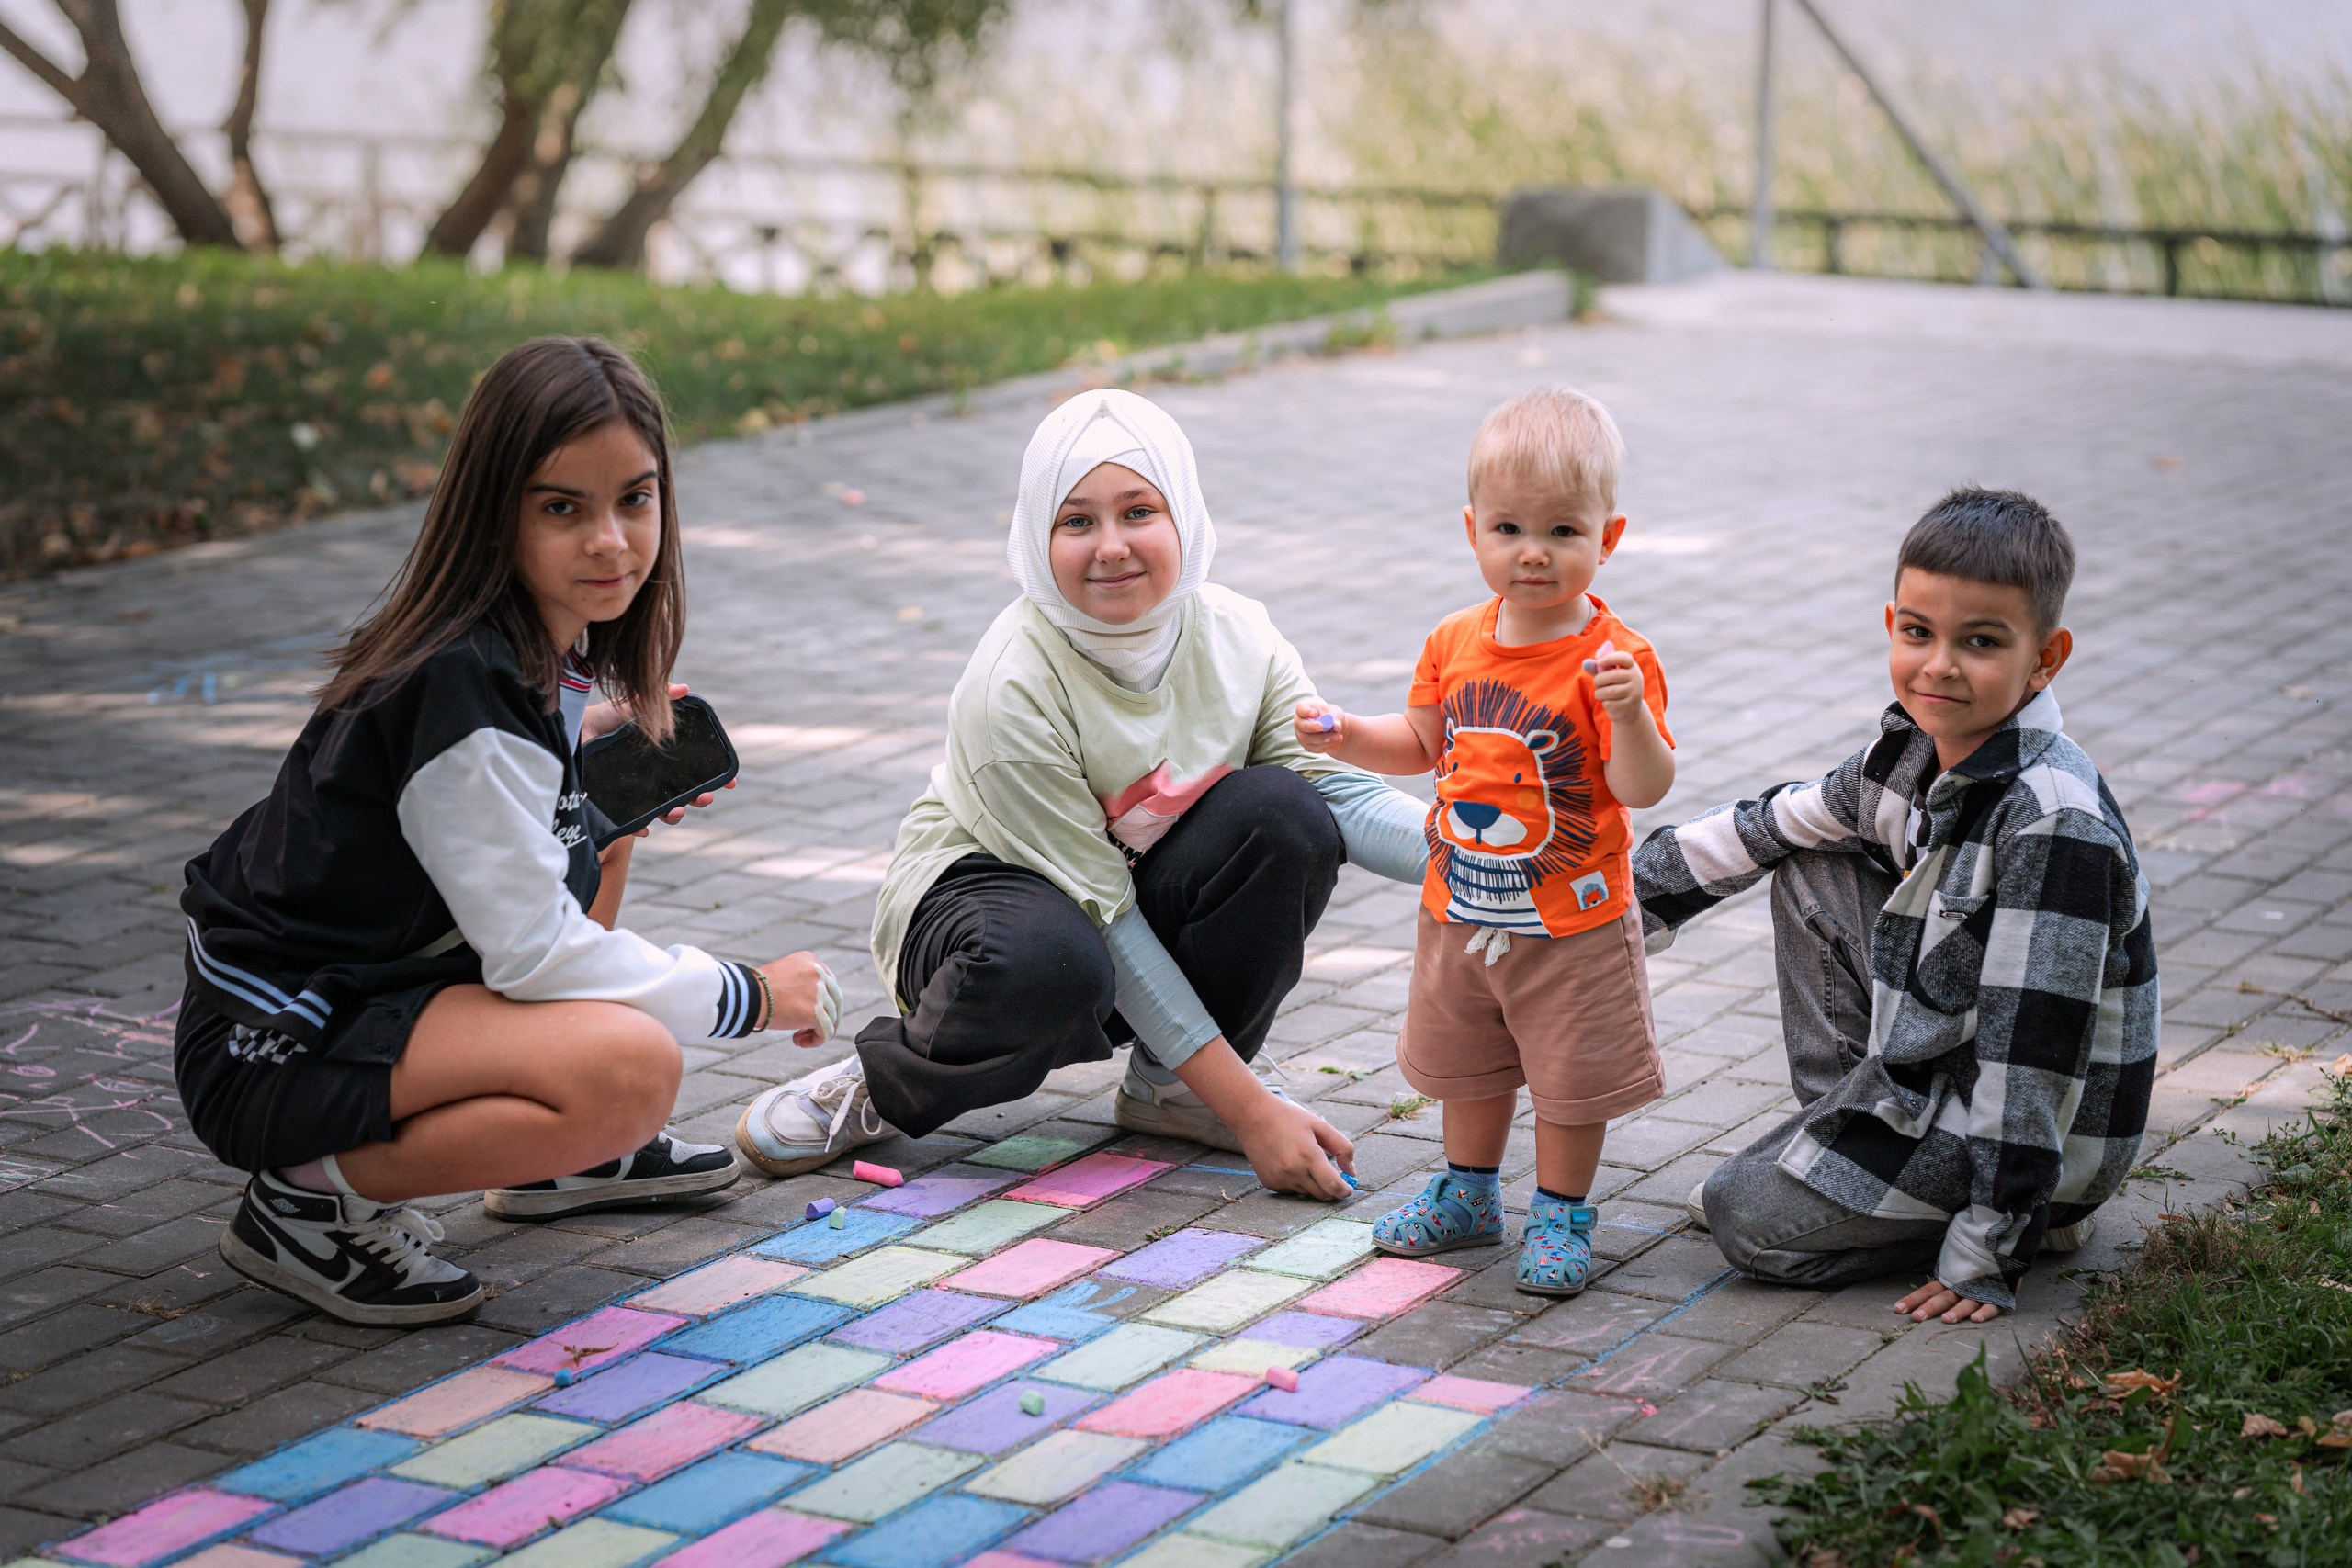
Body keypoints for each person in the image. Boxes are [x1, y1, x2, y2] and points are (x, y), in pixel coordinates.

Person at [175, 337, 842, 1326]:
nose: (611, 541)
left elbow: (518, 879)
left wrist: (587, 762)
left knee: (605, 824)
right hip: (274, 1042)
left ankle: (562, 1163)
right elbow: (533, 956)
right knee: (630, 1070)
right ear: (498, 512)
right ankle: (304, 1206)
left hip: (378, 989)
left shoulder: (528, 648)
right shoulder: (463, 691)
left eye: (636, 498)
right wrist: (748, 995)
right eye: (561, 507)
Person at [733, 389, 1429, 1198]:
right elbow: (1108, 922)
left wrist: (1495, 853)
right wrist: (1252, 1112)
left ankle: (1173, 1084)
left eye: (1139, 511)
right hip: (983, 911)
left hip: (1117, 897)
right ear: (1038, 534)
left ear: (1185, 518)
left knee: (1286, 815)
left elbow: (1336, 792)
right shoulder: (1013, 684)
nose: (1112, 547)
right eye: (1076, 521)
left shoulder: (1239, 635)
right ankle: (889, 1077)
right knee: (1055, 958)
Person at [1639, 488, 2156, 1324]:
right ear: (1892, 624)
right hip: (1944, 1069)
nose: (1940, 665)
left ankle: (2011, 1214)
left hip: (2043, 1137)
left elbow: (2037, 1057)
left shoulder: (2055, 822)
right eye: (1919, 633)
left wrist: (1990, 1245)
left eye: (1981, 642)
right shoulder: (1911, 752)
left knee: (1746, 1218)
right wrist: (1614, 906)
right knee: (1810, 864)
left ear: (2045, 656)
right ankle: (1845, 1152)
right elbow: (1775, 821)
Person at [1294, 387, 1672, 1295]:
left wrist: (1629, 719)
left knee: (1570, 1076)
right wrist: (1348, 734)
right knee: (1469, 1062)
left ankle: (1560, 1209)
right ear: (1472, 532)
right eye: (1508, 528)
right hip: (1461, 907)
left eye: (1561, 531)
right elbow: (1422, 745)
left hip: (1572, 922)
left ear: (1606, 538)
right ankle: (1468, 1196)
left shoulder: (1615, 659)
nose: (1531, 551)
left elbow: (1642, 787)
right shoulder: (1453, 640)